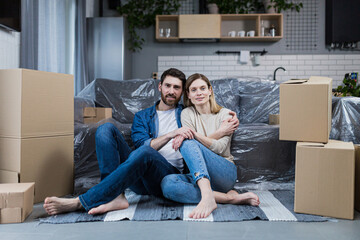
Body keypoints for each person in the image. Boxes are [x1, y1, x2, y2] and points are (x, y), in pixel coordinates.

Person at [43, 68, 192, 215]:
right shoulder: (142, 116)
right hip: (139, 178)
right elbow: (142, 146)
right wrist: (171, 134)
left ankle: (80, 202)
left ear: (182, 91)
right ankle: (116, 196)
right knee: (105, 129)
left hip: (167, 177)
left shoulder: (187, 114)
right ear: (160, 86)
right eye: (168, 86)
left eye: (176, 87)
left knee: (146, 152)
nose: (171, 91)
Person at [161, 73, 260, 219]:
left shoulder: (226, 114)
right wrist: (220, 132)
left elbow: (219, 148)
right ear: (188, 94)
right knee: (167, 184)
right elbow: (202, 141)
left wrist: (193, 134)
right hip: (199, 176)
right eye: (194, 90)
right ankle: (227, 198)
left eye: (202, 88)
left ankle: (207, 196)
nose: (199, 93)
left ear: (210, 90)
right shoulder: (187, 113)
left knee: (187, 142)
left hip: (224, 173)